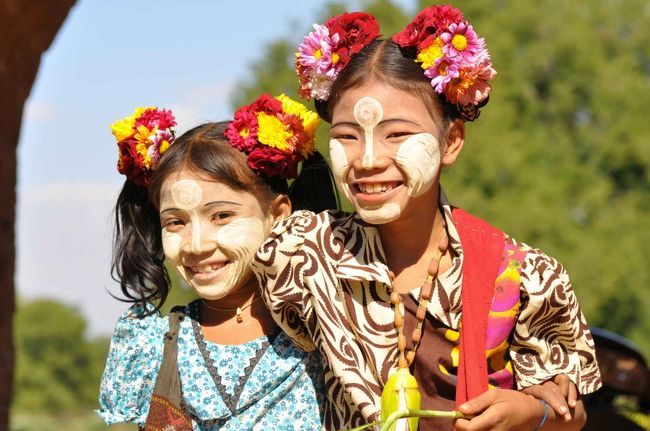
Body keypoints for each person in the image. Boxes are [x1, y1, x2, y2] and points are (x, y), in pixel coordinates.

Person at [252, 6, 601, 431]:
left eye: (397, 134)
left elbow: (570, 413)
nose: (367, 160)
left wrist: (530, 412)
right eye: (346, 136)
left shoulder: (522, 276)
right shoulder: (303, 253)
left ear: (451, 141)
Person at [97, 95, 337, 430]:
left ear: (278, 214)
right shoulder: (151, 346)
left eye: (222, 216)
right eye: (175, 222)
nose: (197, 244)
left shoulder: (330, 326)